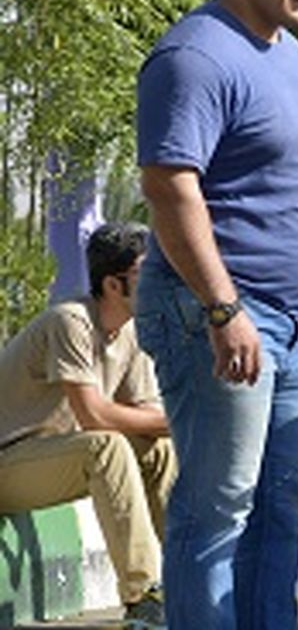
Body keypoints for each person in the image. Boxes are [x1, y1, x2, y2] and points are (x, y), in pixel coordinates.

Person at [135, 0, 298, 628]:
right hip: (217, 312)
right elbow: (168, 187)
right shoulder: (195, 56)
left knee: (286, 500)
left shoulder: (292, 54)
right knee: (218, 507)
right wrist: (225, 310)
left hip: (288, 321)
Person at [0, 222, 175, 629]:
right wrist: (178, 418)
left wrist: (182, 421)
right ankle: (143, 597)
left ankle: (187, 577)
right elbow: (92, 414)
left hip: (53, 458)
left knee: (159, 450)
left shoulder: (131, 331)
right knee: (107, 446)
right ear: (113, 285)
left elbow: (147, 416)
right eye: (145, 273)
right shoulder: (71, 321)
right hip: (9, 461)